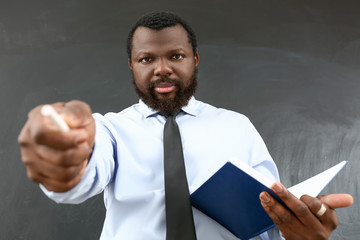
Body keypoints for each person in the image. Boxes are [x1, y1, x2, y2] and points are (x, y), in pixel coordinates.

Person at [18, 11, 353, 240]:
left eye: (175, 56)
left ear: (194, 59)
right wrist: (63, 169)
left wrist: (297, 230)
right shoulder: (108, 130)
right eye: (147, 59)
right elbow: (82, 174)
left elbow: (266, 220)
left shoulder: (237, 127)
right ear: (131, 66)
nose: (162, 69)